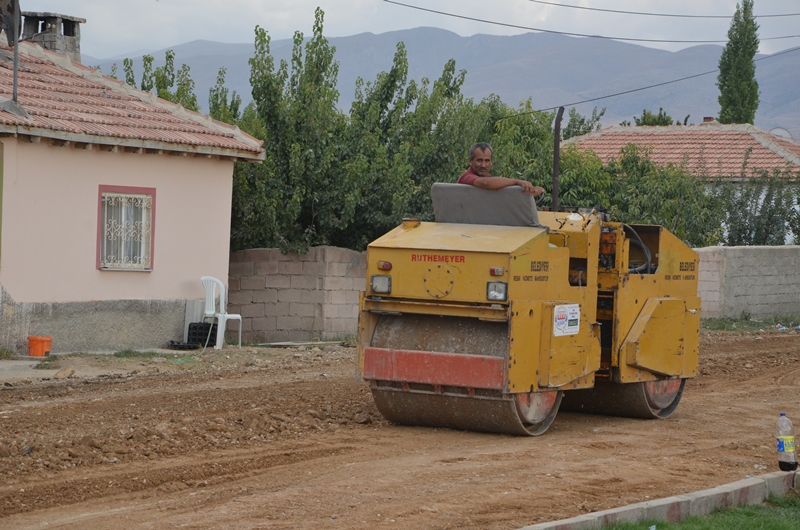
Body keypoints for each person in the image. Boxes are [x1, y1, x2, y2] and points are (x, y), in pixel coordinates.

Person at [457, 143, 545, 197]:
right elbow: (486, 183)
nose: (483, 165)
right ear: (470, 161)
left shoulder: (491, 180)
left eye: (487, 160)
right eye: (479, 160)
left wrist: (529, 193)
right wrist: (518, 182)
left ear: (492, 161)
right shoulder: (466, 177)